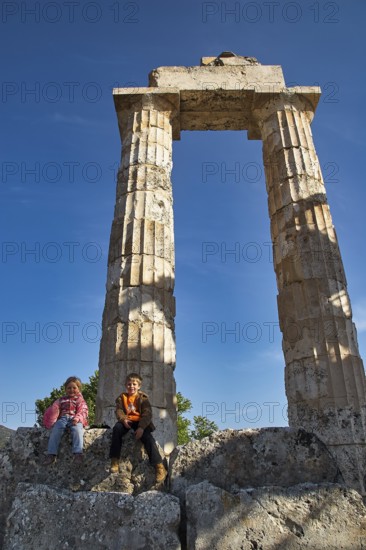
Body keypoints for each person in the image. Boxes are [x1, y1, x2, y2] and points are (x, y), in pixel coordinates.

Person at [109, 372, 167, 483]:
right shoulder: (122, 398)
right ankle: (114, 460)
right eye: (129, 384)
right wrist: (123, 419)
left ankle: (159, 466)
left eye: (134, 384)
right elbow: (119, 411)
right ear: (125, 385)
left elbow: (147, 414)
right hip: (127, 420)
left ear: (139, 386)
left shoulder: (143, 399)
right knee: (116, 429)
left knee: (148, 438)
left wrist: (141, 427)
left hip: (140, 422)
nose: (131, 386)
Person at [43, 376, 89, 465]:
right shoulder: (61, 400)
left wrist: (77, 418)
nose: (71, 390)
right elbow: (54, 409)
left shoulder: (79, 399)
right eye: (69, 388)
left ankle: (78, 453)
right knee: (56, 430)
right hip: (63, 418)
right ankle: (51, 454)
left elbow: (82, 410)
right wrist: (51, 421)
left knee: (77, 430)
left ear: (78, 389)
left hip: (75, 418)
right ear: (65, 389)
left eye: (74, 388)